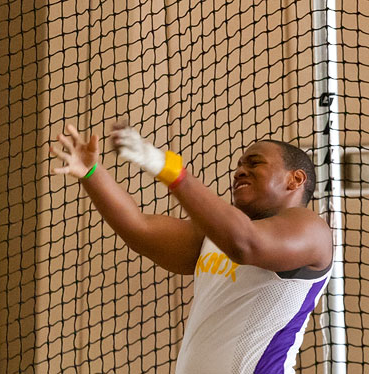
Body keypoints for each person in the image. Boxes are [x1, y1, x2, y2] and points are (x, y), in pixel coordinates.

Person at [50, 121, 333, 374]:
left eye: (254, 163)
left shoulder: (310, 229)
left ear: (295, 179)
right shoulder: (215, 235)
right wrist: (92, 174)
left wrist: (168, 168)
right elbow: (139, 229)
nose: (240, 171)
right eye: (238, 165)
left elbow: (246, 244)